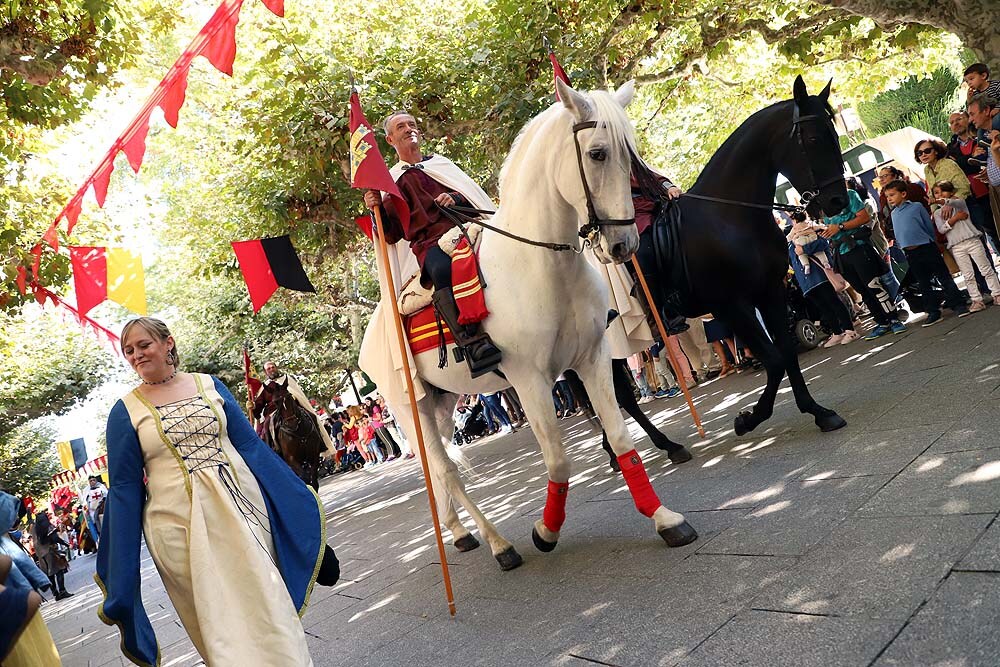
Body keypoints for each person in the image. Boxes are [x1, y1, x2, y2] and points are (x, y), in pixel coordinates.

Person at [98, 317, 338, 667]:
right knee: (220, 624)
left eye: (143, 345)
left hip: (243, 513)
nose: (136, 355)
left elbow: (252, 448)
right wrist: (120, 570)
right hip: (178, 532)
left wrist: (299, 511)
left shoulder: (210, 385)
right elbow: (123, 490)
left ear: (168, 343)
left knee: (270, 605)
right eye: (129, 350)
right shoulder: (125, 412)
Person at [364, 111, 501, 377]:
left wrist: (454, 197)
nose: (409, 129)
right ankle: (470, 341)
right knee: (440, 269)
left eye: (412, 124)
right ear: (390, 139)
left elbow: (471, 197)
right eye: (401, 127)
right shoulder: (391, 183)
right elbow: (391, 235)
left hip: (467, 227)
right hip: (430, 243)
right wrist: (376, 210)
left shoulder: (441, 164)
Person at [821, 180, 905, 340]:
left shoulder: (849, 195)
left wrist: (839, 227)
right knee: (862, 290)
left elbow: (864, 217)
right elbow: (829, 228)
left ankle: (894, 319)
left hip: (859, 248)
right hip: (841, 253)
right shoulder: (823, 207)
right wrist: (822, 230)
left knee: (874, 285)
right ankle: (881, 322)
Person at [883, 180, 969, 325]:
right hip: (910, 253)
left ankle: (958, 304)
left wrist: (933, 242)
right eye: (887, 196)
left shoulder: (916, 207)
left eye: (892, 195)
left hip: (926, 247)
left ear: (903, 194)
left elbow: (928, 227)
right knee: (923, 283)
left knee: (943, 276)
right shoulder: (893, 214)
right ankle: (933, 311)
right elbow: (898, 234)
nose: (889, 198)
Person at [786, 212, 858, 346]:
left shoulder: (813, 228)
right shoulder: (790, 236)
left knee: (833, 301)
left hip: (820, 274)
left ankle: (850, 330)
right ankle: (837, 332)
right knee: (823, 307)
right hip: (806, 281)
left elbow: (824, 243)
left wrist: (805, 249)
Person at [932, 181, 1000, 313]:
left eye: (943, 191)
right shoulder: (937, 213)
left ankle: (997, 293)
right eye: (936, 193)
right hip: (956, 246)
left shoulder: (960, 203)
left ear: (951, 192)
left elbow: (956, 203)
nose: (940, 195)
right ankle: (976, 299)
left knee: (985, 269)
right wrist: (954, 219)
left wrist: (945, 202)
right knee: (968, 275)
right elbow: (941, 229)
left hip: (972, 240)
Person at [255, 361, 337, 457]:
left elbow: (298, 394)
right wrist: (253, 407)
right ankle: (273, 452)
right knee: (267, 425)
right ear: (265, 372)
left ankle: (320, 443)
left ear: (276, 368)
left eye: (273, 367)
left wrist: (293, 397)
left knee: (312, 417)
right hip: (274, 411)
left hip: (293, 407)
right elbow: (259, 404)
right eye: (268, 369)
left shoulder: (287, 379)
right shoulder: (265, 386)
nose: (271, 369)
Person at [947, 110, 998, 249]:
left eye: (959, 119)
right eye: (952, 122)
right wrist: (971, 157)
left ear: (968, 119)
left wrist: (965, 162)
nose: (956, 124)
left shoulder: (981, 136)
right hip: (971, 198)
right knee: (990, 234)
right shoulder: (950, 148)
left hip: (991, 189)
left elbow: (984, 162)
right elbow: (955, 169)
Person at [29, 512, 71, 601]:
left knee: (49, 574)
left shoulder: (33, 528)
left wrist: (28, 512)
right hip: (50, 551)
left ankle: (55, 593)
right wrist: (66, 544)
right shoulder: (48, 526)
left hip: (40, 554)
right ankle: (62, 591)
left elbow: (30, 521)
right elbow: (55, 538)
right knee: (59, 570)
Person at [83, 475, 107, 542]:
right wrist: (86, 507)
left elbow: (106, 495)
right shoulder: (86, 490)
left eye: (94, 480)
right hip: (92, 508)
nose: (93, 482)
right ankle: (99, 534)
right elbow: (84, 500)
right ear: (89, 482)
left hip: (101, 505)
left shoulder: (101, 487)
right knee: (94, 519)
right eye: (91, 481)